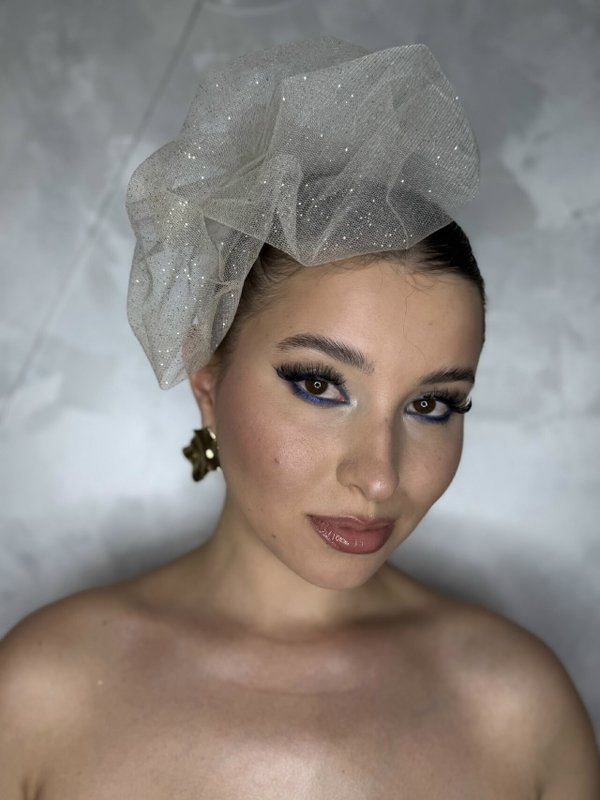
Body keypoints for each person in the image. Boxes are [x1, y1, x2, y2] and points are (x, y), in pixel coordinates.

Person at [1, 37, 598, 799]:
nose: (379, 478)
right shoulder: (38, 695)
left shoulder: (517, 708)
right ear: (208, 378)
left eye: (432, 405)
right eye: (320, 385)